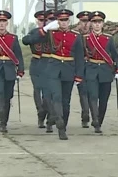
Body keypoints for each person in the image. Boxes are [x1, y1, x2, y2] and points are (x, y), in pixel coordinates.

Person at [27, 8, 85, 140]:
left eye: (65, 20)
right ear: (57, 21)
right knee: (56, 97)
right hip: (53, 69)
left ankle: (63, 124)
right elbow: (28, 40)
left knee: (66, 101)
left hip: (69, 69)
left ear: (69, 21)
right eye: (61, 20)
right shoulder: (50, 33)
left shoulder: (76, 36)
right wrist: (45, 29)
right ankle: (59, 124)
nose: (63, 22)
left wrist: (79, 75)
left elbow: (80, 57)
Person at [83, 11, 118, 133]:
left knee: (103, 99)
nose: (97, 25)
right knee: (93, 96)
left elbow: (116, 55)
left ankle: (99, 120)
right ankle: (95, 121)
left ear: (103, 24)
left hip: (105, 71)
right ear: (91, 24)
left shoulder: (109, 38)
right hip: (91, 69)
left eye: (99, 22)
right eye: (94, 22)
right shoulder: (85, 38)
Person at [22, 9, 52, 128]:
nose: (43, 23)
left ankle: (49, 116)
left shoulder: (53, 33)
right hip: (37, 65)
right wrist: (42, 32)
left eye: (46, 20)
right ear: (37, 21)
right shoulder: (34, 32)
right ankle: (40, 112)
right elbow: (26, 40)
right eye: (41, 20)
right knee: (37, 89)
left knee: (48, 94)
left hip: (49, 64)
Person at [75, 11, 92, 128]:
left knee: (88, 93)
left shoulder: (95, 35)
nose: (85, 24)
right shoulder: (74, 35)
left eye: (87, 21)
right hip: (75, 67)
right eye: (83, 21)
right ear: (79, 22)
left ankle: (86, 115)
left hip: (90, 67)